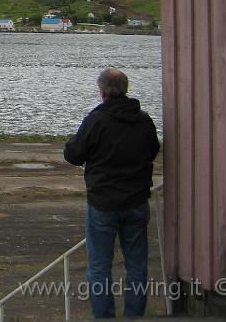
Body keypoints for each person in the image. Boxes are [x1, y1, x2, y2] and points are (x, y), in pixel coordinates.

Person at [64, 68, 160, 318]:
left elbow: (74, 155)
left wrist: (71, 145)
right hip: (137, 200)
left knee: (99, 267)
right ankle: (134, 315)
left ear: (103, 91)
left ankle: (104, 317)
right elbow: (152, 149)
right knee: (137, 265)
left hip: (103, 203)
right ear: (125, 89)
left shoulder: (96, 119)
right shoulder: (144, 120)